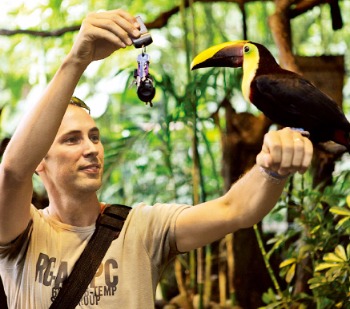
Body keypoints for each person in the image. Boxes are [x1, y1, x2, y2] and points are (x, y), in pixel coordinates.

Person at [0, 8, 313, 309]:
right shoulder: (21, 232)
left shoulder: (142, 228)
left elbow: (236, 209)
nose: (91, 148)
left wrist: (272, 167)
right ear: (40, 161)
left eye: (94, 137)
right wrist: (77, 59)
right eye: (72, 139)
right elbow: (13, 172)